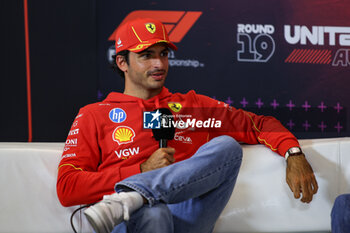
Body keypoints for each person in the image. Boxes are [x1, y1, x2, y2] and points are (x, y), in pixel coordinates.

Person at [56, 17, 318, 233]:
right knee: (154, 214)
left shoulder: (192, 106)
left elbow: (259, 124)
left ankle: (135, 195)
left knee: (227, 146)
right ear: (122, 62)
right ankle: (137, 199)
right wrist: (140, 169)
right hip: (131, 223)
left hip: (187, 219)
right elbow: (68, 188)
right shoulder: (94, 114)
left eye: (163, 54)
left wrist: (293, 153)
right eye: (146, 56)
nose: (159, 64)